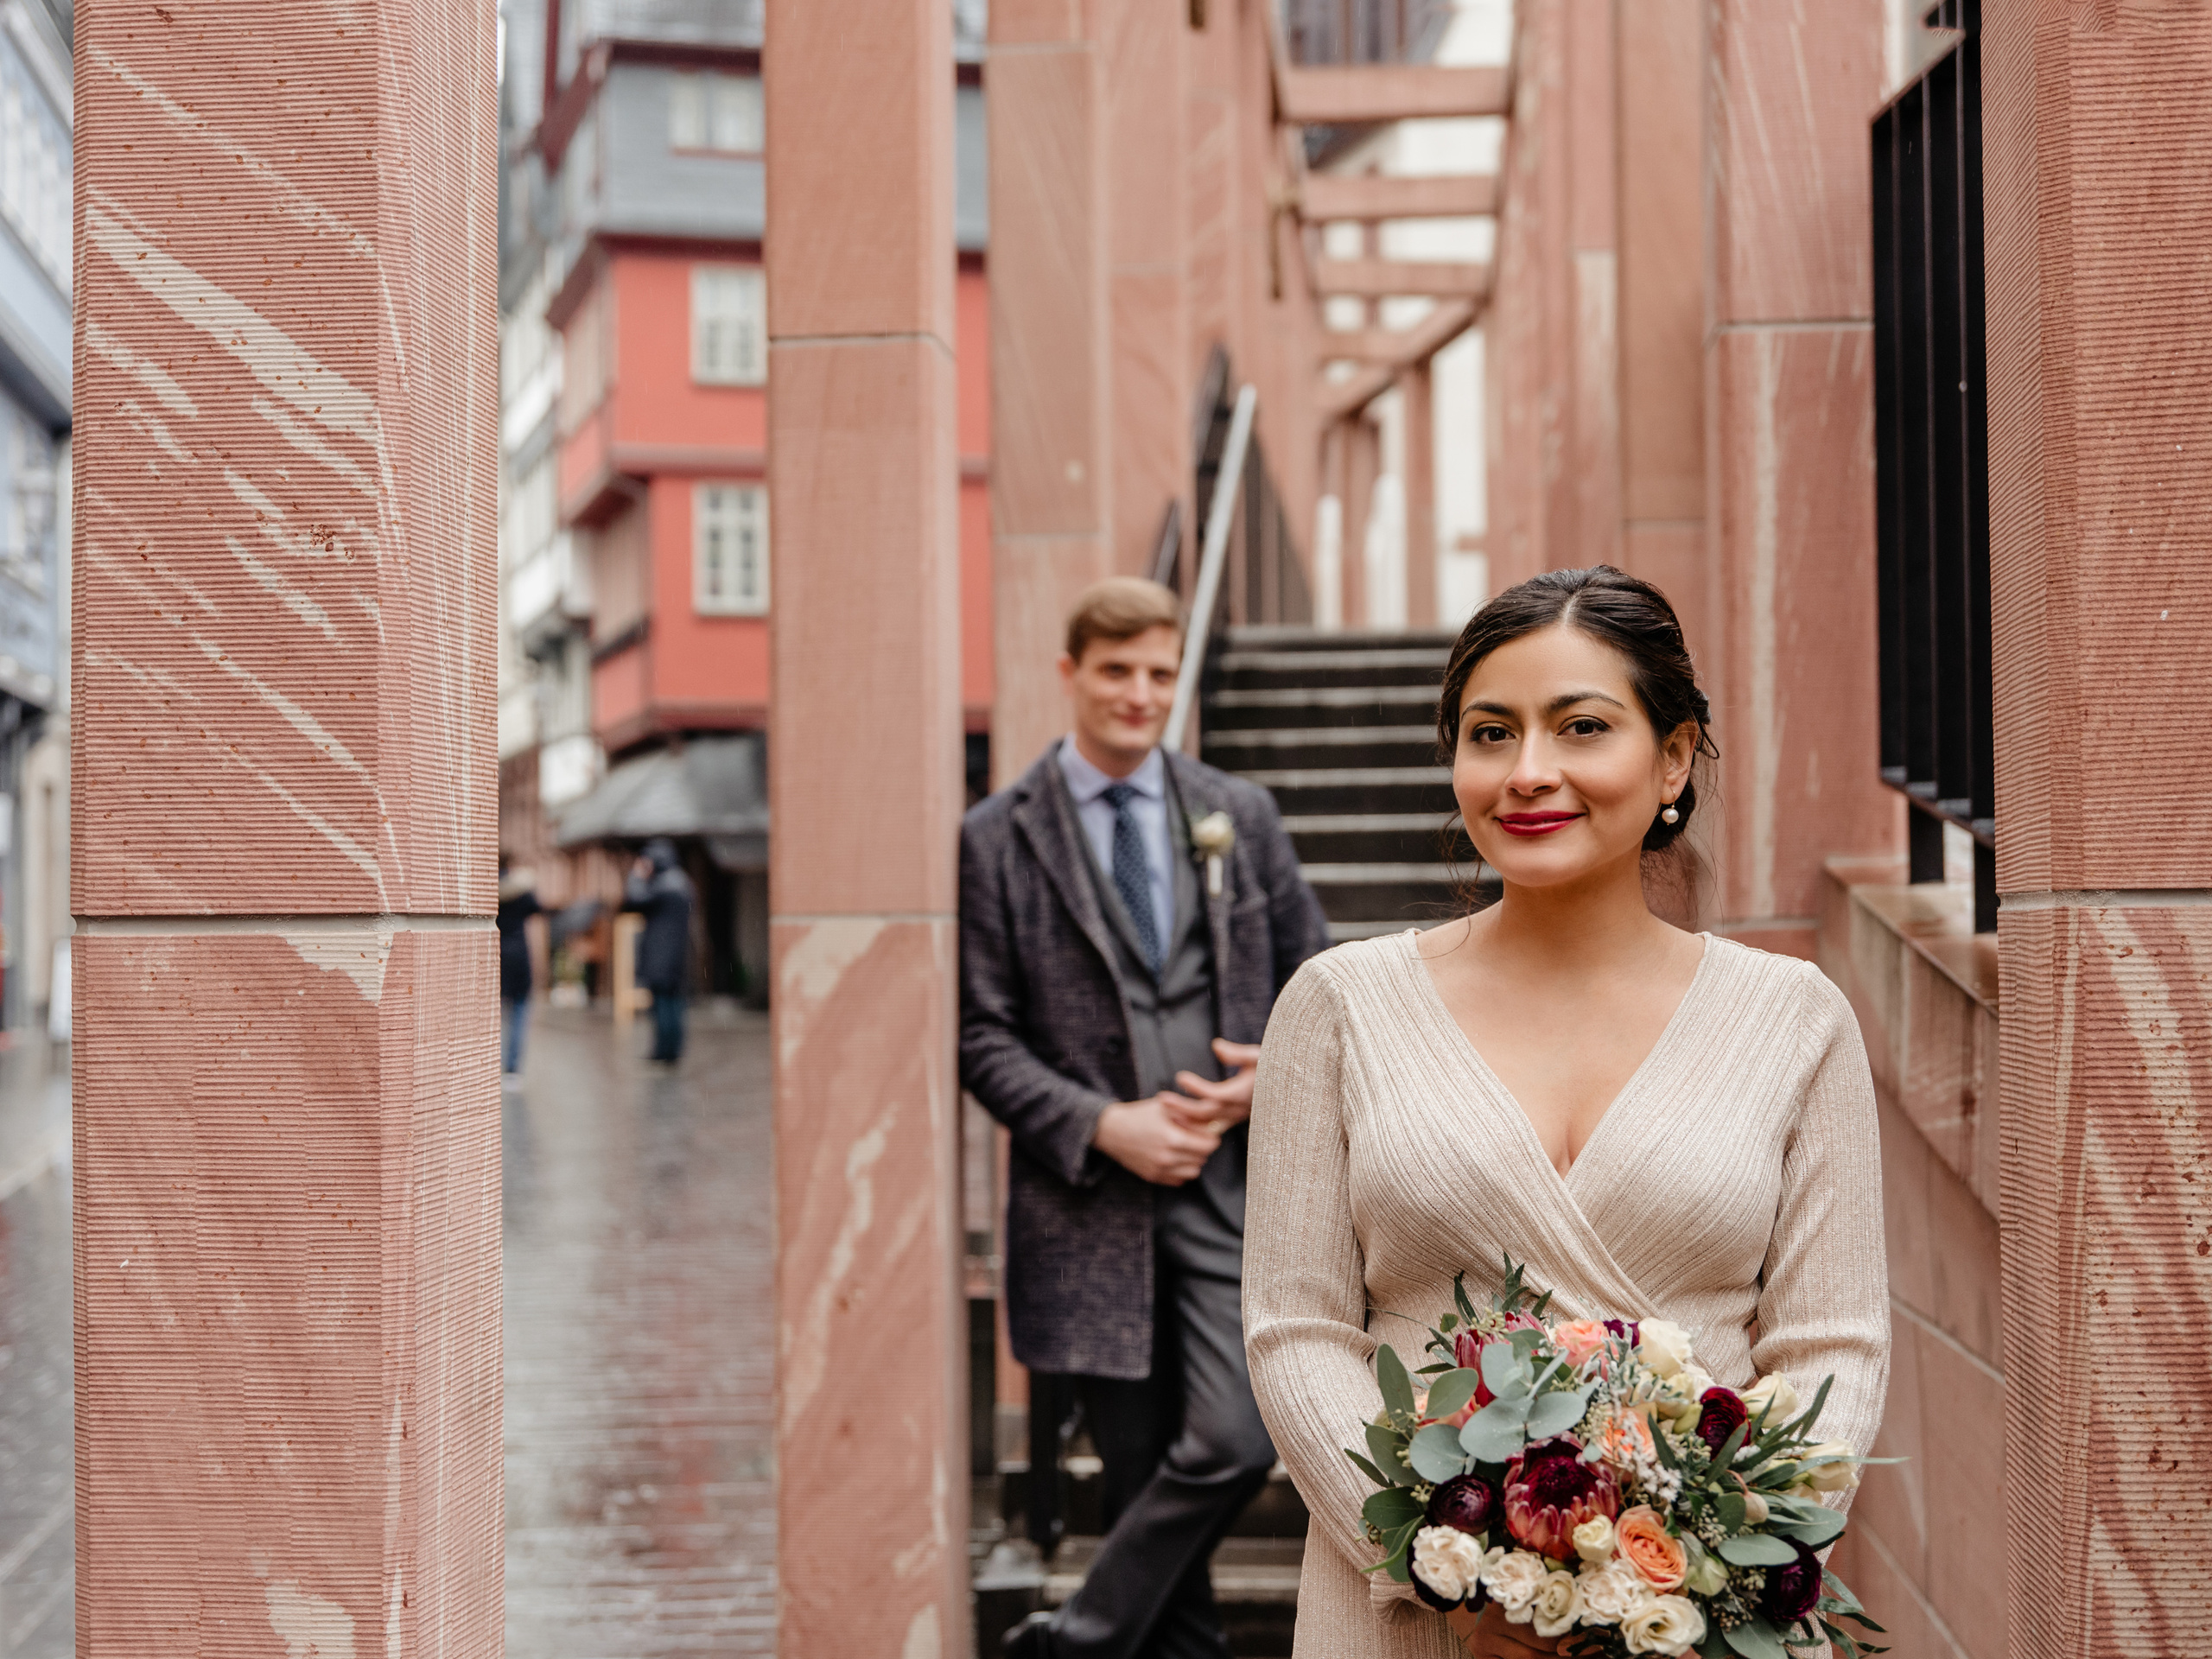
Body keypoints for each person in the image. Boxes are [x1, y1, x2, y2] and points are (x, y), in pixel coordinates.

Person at [1243, 566, 1890, 1659]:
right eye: (1490, 733)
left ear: (1673, 756)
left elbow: (1834, 1350)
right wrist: (1454, 1576)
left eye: (1581, 726)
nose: (1527, 772)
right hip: (1409, 1613)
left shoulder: (1793, 1018)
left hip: (1687, 1618)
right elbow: (1294, 1330)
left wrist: (1693, 1559)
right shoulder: (1338, 1006)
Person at [963, 576, 1332, 1659]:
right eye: (1116, 670)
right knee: (1132, 1477)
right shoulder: (996, 836)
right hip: (1088, 1205)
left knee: (1237, 1437)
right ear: (1070, 672)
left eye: (1159, 673)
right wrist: (1100, 1124)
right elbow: (980, 1034)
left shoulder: (1237, 813)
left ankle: (1076, 1638)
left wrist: (1271, 1076)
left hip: (1229, 1187)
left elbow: (1322, 981)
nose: (1139, 693)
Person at [623, 837, 696, 1065]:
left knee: (662, 1005)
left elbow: (634, 900)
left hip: (660, 957)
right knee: (674, 1004)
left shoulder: (663, 886)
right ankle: (672, 1050)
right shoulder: (682, 883)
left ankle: (664, 1051)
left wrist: (636, 876)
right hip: (677, 955)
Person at [497, 856, 543, 1079]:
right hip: (519, 957)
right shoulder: (522, 889)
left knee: (493, 1015)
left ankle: (491, 1063)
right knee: (519, 1012)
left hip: (495, 954)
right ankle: (513, 1068)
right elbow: (537, 907)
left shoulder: (486, 891)